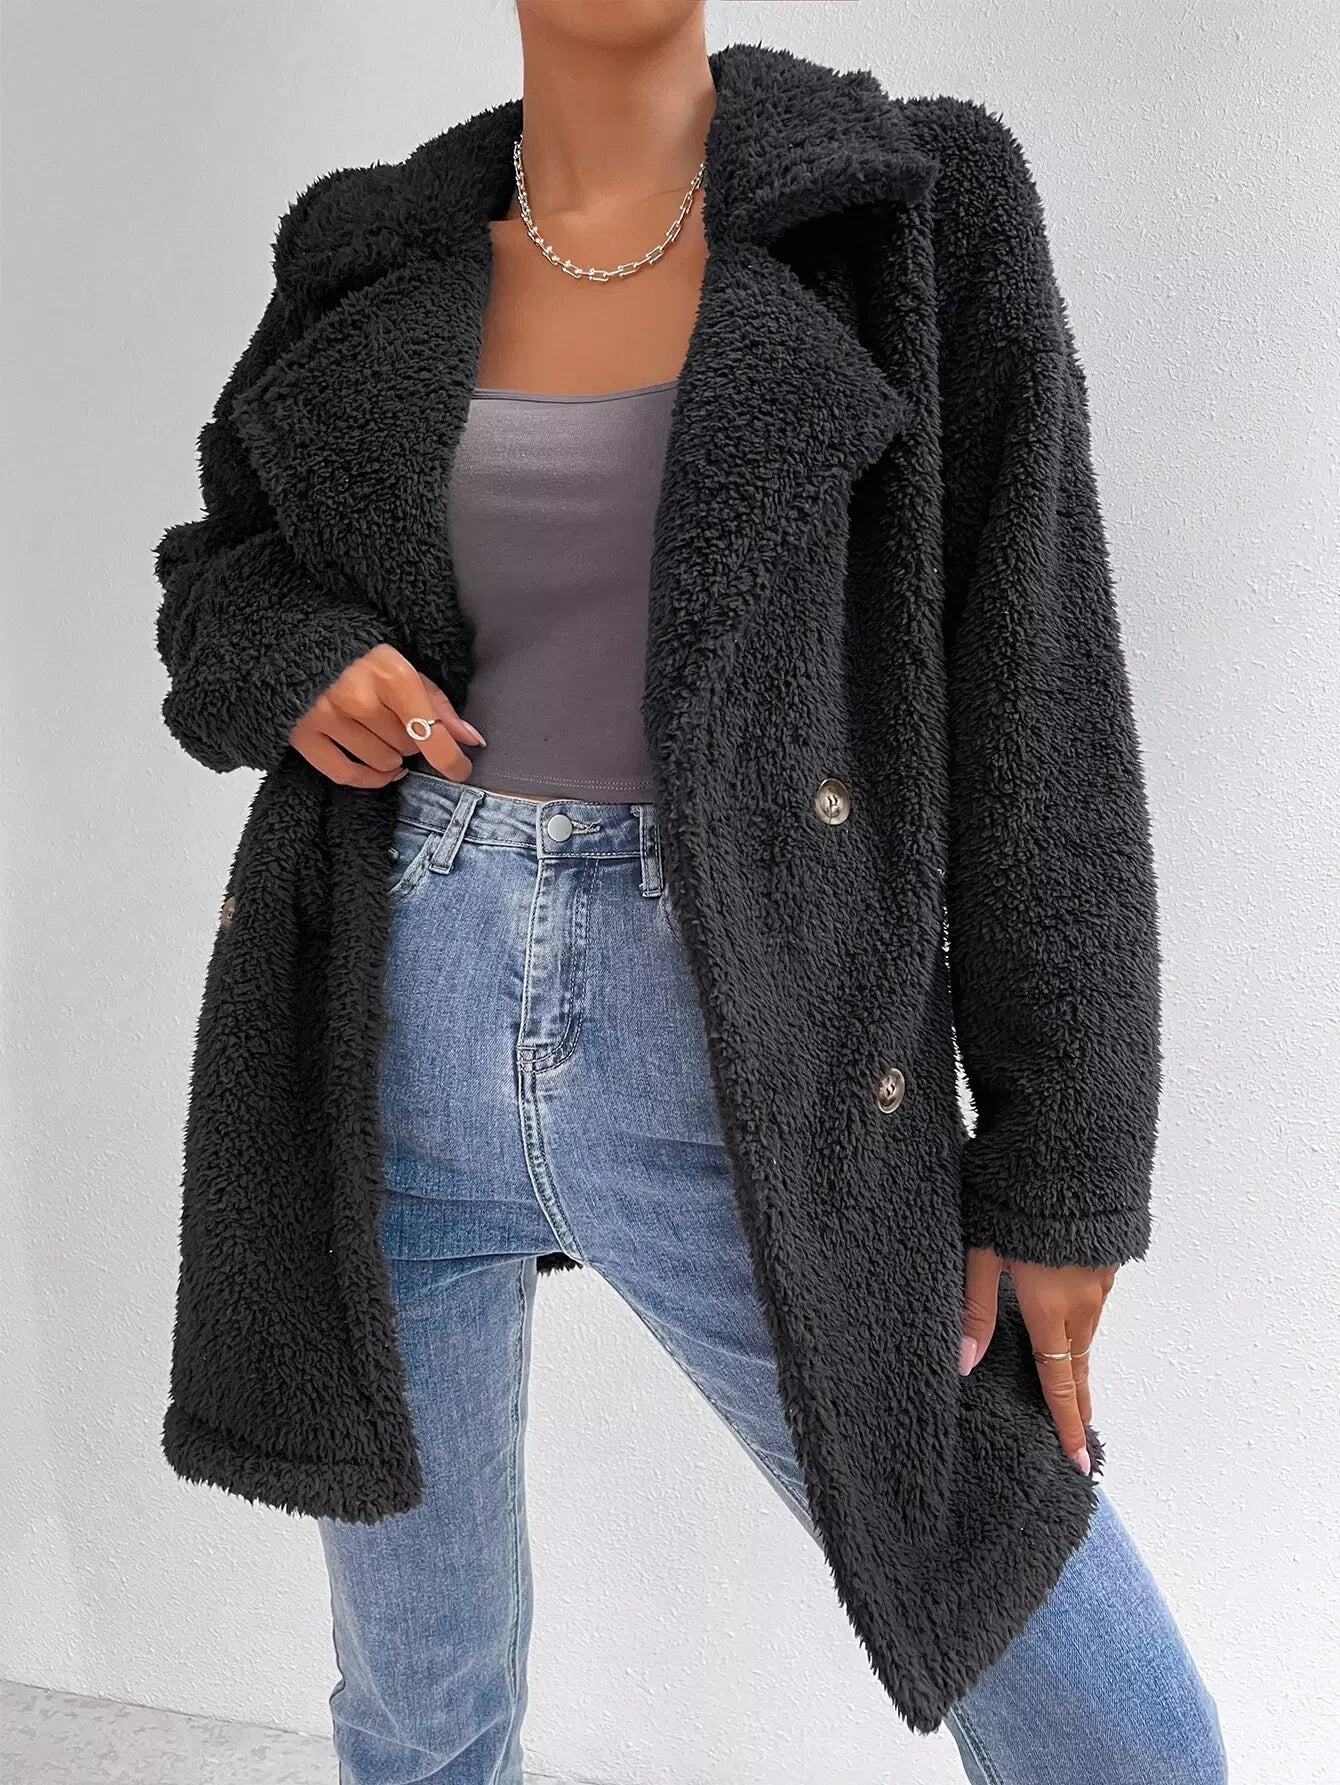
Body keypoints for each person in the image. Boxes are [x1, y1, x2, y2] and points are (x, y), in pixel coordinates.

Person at [152, 5, 1228, 1781]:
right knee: (420, 1720)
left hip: (750, 1030)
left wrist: (1063, 1162)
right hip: (389, 1028)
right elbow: (217, 571)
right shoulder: (371, 243)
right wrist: (298, 651)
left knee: (1127, 1735)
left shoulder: (911, 206)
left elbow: (1036, 687)